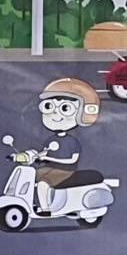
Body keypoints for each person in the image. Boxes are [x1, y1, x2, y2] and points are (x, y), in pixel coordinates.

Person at [31, 77, 100, 213]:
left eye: (65, 108)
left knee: (43, 183)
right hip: (50, 169)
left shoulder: (72, 141)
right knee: (33, 176)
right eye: (49, 106)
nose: (56, 114)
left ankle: (46, 209)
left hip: (66, 172)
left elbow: (72, 160)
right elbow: (45, 152)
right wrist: (34, 156)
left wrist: (49, 158)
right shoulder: (51, 140)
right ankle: (38, 203)